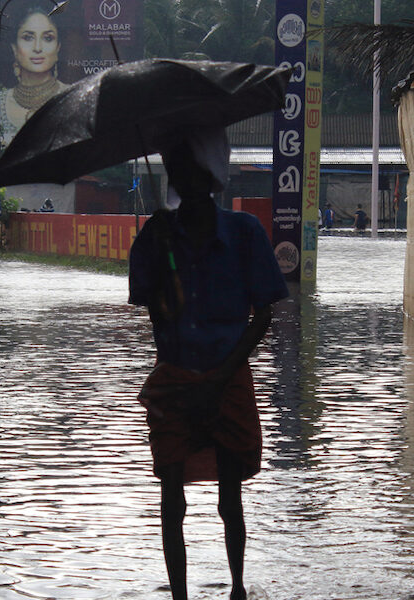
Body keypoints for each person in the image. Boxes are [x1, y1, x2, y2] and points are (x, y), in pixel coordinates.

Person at [128, 127, 289, 600]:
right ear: (174, 175)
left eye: (197, 169)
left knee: (230, 497)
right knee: (170, 496)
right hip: (175, 375)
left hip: (227, 374)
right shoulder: (158, 234)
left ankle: (237, 587)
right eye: (180, 168)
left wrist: (219, 377)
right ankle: (179, 595)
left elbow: (264, 314)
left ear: (214, 176)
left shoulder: (243, 232)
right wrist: (156, 249)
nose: (188, 178)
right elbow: (148, 305)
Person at [0, 4, 69, 144]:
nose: (38, 48)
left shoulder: (71, 99)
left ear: (58, 47)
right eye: (28, 38)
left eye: (48, 38)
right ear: (14, 48)